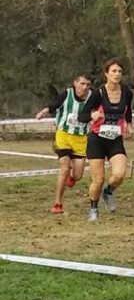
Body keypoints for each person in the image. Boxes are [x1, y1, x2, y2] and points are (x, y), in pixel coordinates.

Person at [79, 59, 134, 222]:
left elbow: (128, 110)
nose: (117, 74)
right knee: (98, 179)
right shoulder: (99, 93)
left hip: (115, 139)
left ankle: (108, 192)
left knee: (119, 174)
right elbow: (82, 115)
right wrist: (91, 115)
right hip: (97, 140)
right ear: (106, 74)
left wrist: (129, 125)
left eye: (119, 72)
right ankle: (93, 208)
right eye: (113, 71)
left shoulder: (126, 92)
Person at [35, 74, 92, 214]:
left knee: (77, 175)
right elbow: (55, 104)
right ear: (75, 83)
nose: (84, 87)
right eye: (82, 84)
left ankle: (72, 178)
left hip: (80, 139)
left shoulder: (92, 97)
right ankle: (58, 203)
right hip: (63, 135)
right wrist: (44, 111)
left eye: (87, 85)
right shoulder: (67, 93)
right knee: (65, 167)